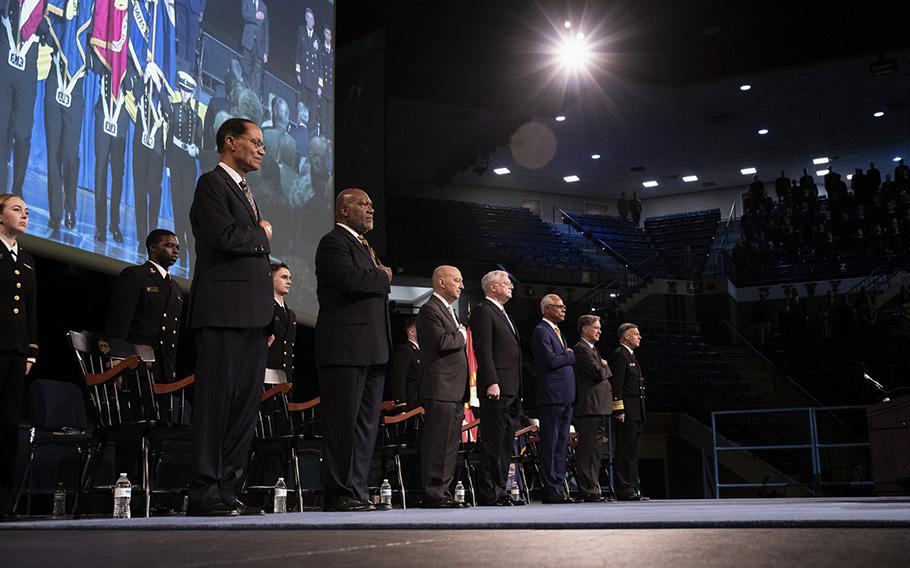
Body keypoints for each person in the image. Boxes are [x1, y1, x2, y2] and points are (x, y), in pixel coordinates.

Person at [186, 118, 273, 517]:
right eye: (254, 142)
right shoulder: (211, 184)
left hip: (252, 316)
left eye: (262, 144)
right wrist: (262, 235)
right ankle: (205, 490)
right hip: (221, 312)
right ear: (229, 141)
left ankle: (229, 487)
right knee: (216, 404)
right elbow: (222, 237)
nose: (261, 149)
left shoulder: (245, 190)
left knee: (243, 407)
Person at [315, 188, 392, 512]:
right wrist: (381, 276)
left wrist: (376, 275)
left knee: (365, 426)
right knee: (342, 424)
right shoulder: (333, 242)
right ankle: (338, 492)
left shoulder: (364, 247)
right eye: (364, 203)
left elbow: (365, 280)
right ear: (344, 210)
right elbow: (349, 279)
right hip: (344, 348)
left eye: (372, 204)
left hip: (372, 349)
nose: (371, 209)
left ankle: (357, 489)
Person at [416, 265, 468, 508]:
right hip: (440, 388)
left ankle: (442, 492)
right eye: (457, 280)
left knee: (450, 444)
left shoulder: (448, 310)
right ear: (441, 282)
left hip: (454, 389)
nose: (461, 285)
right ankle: (433, 492)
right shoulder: (429, 309)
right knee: (438, 443)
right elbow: (442, 342)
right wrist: (462, 334)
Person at [471, 269, 523, 506]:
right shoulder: (484, 310)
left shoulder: (503, 312)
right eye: (506, 282)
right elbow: (483, 349)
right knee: (493, 440)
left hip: (511, 387)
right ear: (493, 287)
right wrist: (492, 381)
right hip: (497, 387)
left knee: (505, 442)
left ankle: (500, 490)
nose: (511, 285)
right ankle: (488, 492)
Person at [106, 229, 185, 383]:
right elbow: (119, 321)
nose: (175, 250)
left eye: (177, 247)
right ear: (153, 248)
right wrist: (116, 360)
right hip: (135, 365)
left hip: (163, 370)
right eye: (169, 245)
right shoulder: (136, 275)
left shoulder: (177, 290)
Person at [0, 195, 37, 522]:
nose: (24, 215)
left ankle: (4, 502)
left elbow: (30, 308)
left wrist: (32, 350)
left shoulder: (25, 258)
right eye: (16, 209)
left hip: (16, 350)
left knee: (9, 426)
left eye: (26, 211)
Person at [44, 0, 93, 231]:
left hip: (76, 85)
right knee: (53, 151)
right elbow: (46, 21)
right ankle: (55, 212)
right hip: (55, 78)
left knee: (70, 155)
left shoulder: (92, 6)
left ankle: (70, 208)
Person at [531, 294, 576, 504]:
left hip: (565, 396)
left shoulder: (558, 332)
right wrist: (569, 355)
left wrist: (565, 355)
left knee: (561, 443)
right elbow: (550, 360)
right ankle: (550, 488)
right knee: (550, 443)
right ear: (547, 309)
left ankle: (559, 485)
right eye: (559, 306)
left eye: (564, 306)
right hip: (551, 396)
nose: (563, 310)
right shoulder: (541, 331)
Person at [0, 0, 46, 198]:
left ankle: (17, 191)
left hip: (28, 64)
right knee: (1, 129)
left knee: (22, 133)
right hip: (4, 54)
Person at [572, 315, 614, 502]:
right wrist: (606, 366)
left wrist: (603, 366)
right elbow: (598, 373)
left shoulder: (593, 349)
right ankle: (588, 489)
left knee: (596, 451)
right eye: (596, 327)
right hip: (589, 407)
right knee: (588, 450)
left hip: (599, 407)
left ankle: (593, 488)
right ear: (585, 329)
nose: (599, 331)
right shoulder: (581, 349)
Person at [165, 71, 203, 265]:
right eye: (183, 90)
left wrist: (195, 150)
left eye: (188, 91)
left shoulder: (197, 118)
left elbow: (199, 145)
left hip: (188, 166)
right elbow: (168, 137)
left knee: (188, 210)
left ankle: (191, 252)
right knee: (177, 209)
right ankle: (181, 254)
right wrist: (168, 163)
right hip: (176, 161)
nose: (185, 94)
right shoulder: (173, 109)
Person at [609, 323, 648, 501]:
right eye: (636, 334)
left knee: (634, 452)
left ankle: (632, 488)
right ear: (626, 336)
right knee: (624, 451)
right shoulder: (620, 355)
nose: (639, 337)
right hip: (626, 413)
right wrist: (619, 409)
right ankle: (623, 489)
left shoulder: (631, 355)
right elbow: (617, 385)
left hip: (636, 412)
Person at [265, 263, 295, 385]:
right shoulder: (264, 307)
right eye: (284, 277)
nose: (289, 282)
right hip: (266, 375)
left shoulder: (291, 315)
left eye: (290, 278)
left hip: (284, 378)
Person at [296, 7, 320, 134]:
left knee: (312, 108)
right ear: (306, 19)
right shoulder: (301, 31)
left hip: (314, 80)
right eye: (308, 18)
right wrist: (298, 72)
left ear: (314, 21)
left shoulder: (317, 39)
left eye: (312, 19)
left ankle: (310, 132)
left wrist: (320, 85)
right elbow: (298, 53)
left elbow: (319, 64)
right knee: (303, 104)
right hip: (304, 76)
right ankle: (302, 130)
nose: (310, 21)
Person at [388, 318, 420, 407]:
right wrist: (400, 405)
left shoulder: (423, 352)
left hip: (421, 402)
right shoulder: (405, 350)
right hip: (411, 403)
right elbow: (399, 379)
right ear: (412, 332)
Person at [240, 0, 268, 93]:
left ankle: (253, 99)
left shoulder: (263, 6)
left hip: (259, 47)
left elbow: (266, 30)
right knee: (246, 70)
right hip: (248, 42)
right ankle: (243, 95)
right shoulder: (246, 1)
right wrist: (255, 16)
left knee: (257, 75)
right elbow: (245, 15)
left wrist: (266, 52)